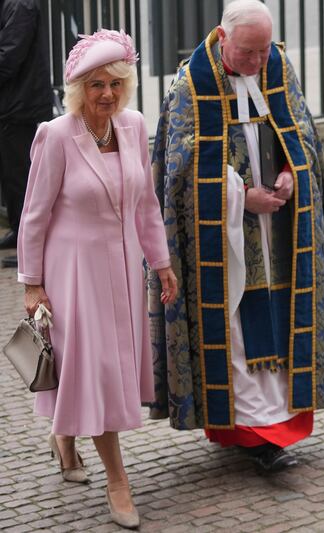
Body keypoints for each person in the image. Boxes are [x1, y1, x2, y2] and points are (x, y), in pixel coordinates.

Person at [148, 0, 324, 473]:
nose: (257, 61)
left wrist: (293, 174)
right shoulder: (191, 84)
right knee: (233, 325)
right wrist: (239, 197)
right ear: (222, 36)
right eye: (248, 52)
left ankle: (282, 424)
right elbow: (180, 170)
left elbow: (303, 137)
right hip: (228, 237)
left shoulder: (278, 67)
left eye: (263, 50)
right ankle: (254, 436)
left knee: (284, 309)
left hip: (282, 230)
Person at [17, 29, 178, 529]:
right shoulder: (56, 135)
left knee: (94, 369)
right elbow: (34, 214)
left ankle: (64, 439)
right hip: (74, 273)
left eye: (116, 83)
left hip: (124, 270)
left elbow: (146, 204)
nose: (107, 94)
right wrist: (32, 283)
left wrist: (162, 261)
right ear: (78, 89)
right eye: (96, 85)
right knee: (97, 371)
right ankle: (117, 481)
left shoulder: (132, 125)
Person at [0, 0, 53, 268]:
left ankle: (28, 249)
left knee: (21, 176)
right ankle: (18, 230)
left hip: (21, 106)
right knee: (12, 176)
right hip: (13, 104)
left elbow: (9, 56)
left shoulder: (20, 4)